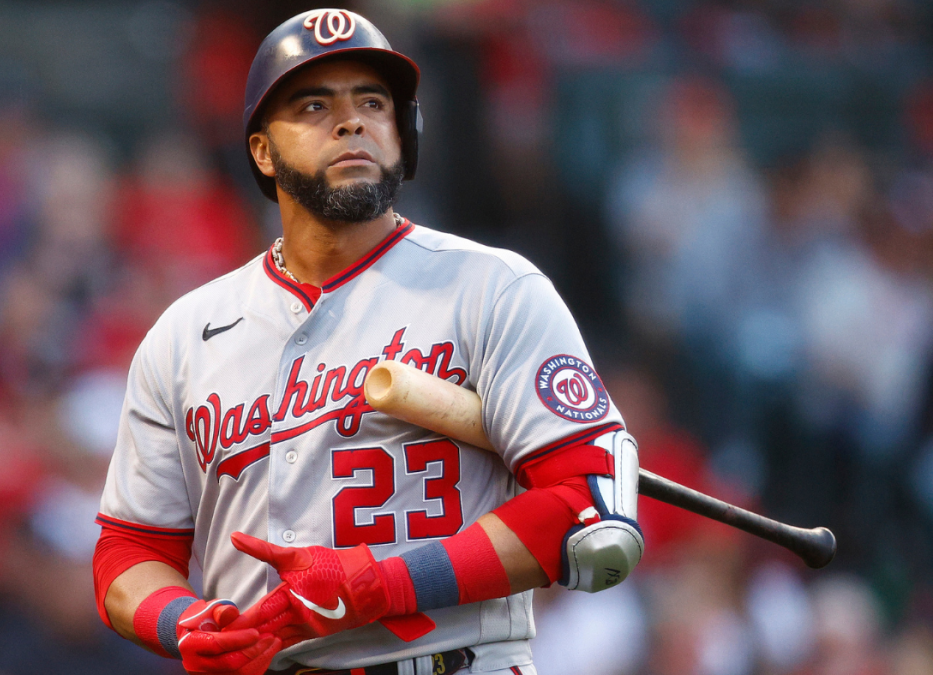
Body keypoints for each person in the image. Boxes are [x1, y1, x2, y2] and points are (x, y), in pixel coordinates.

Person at [92, 9, 643, 675]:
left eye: (372, 102)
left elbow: (586, 506)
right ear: (262, 150)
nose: (351, 121)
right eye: (314, 104)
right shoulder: (183, 335)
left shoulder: (494, 288)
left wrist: (381, 586)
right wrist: (186, 622)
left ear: (403, 133)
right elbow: (128, 548)